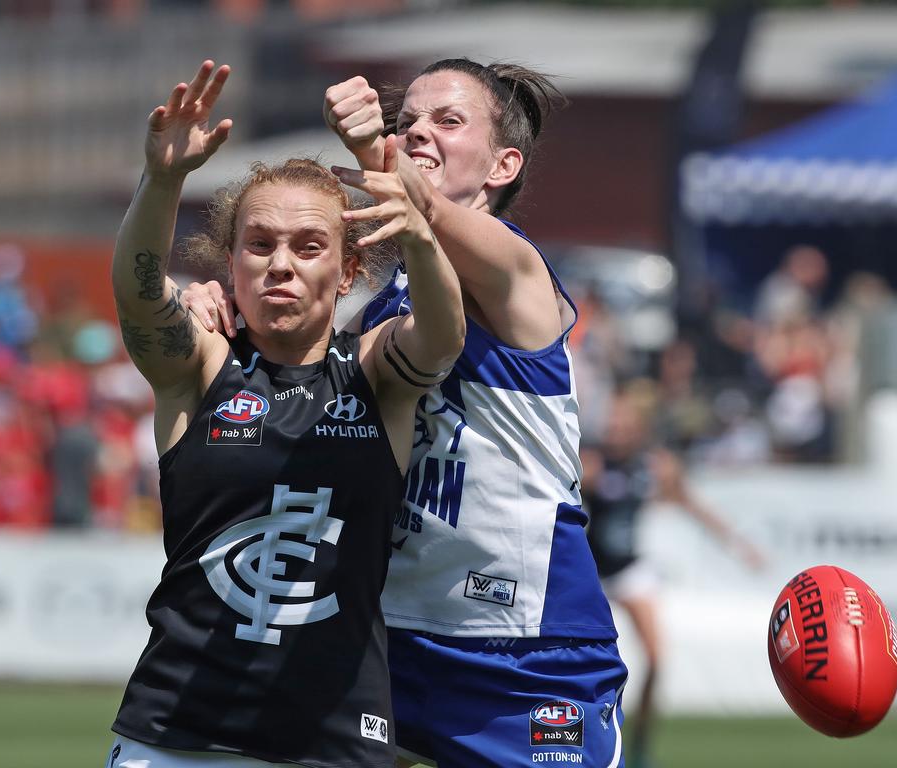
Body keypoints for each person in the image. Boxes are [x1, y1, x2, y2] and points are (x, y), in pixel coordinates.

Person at [186, 59, 627, 768]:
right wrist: (219, 314)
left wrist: (375, 153)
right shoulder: (384, 310)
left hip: (527, 653)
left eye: (448, 121)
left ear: (502, 165)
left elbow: (430, 218)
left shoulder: (519, 273)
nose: (419, 130)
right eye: (408, 119)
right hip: (386, 639)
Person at [107, 60, 465, 768]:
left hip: (334, 743)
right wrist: (164, 180)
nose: (281, 265)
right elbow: (139, 297)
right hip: (176, 737)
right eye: (260, 244)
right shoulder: (199, 368)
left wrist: (421, 235)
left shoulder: (375, 375)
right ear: (230, 260)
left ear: (350, 268)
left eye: (308, 247)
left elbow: (444, 334)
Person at [582, 388, 765, 768]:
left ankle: (641, 745)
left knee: (655, 658)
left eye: (622, 424)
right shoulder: (593, 463)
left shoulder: (655, 466)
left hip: (630, 568)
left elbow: (693, 506)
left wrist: (739, 544)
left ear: (638, 429)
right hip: (593, 572)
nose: (614, 430)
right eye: (612, 423)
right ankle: (582, 739)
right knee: (583, 661)